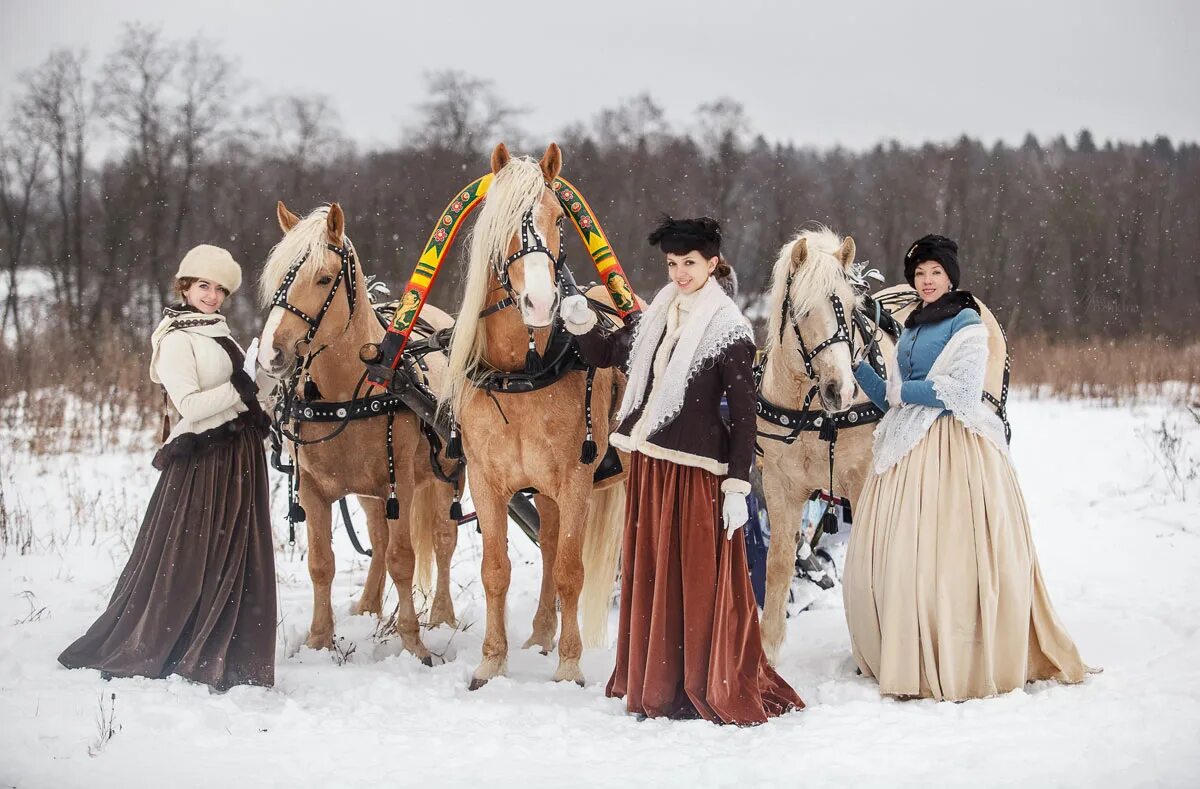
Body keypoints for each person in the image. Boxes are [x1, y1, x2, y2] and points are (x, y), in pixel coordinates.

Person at [560, 216, 803, 724]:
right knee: (653, 573)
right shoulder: (657, 316)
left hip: (697, 475)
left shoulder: (729, 329)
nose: (680, 273)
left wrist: (738, 486)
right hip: (650, 465)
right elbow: (609, 354)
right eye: (672, 264)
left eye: (689, 264)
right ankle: (655, 679)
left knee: (696, 579)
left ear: (713, 263)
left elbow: (743, 416)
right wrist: (582, 322)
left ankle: (695, 679)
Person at [844, 234, 1090, 701]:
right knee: (903, 553)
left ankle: (964, 650)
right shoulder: (912, 328)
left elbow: (958, 390)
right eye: (919, 274)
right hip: (905, 448)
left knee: (953, 550)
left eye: (935, 272)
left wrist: (900, 394)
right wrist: (858, 370)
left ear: (950, 276)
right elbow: (892, 401)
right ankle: (907, 644)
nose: (927, 281)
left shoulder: (967, 321)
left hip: (955, 447)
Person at [59, 244, 276, 692]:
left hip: (239, 458)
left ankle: (228, 649)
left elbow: (247, 392)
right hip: (204, 461)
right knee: (191, 559)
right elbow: (191, 406)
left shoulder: (221, 332)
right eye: (203, 285)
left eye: (219, 289)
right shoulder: (177, 338)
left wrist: (267, 380)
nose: (212, 295)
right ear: (184, 286)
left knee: (234, 557)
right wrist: (243, 385)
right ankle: (173, 644)